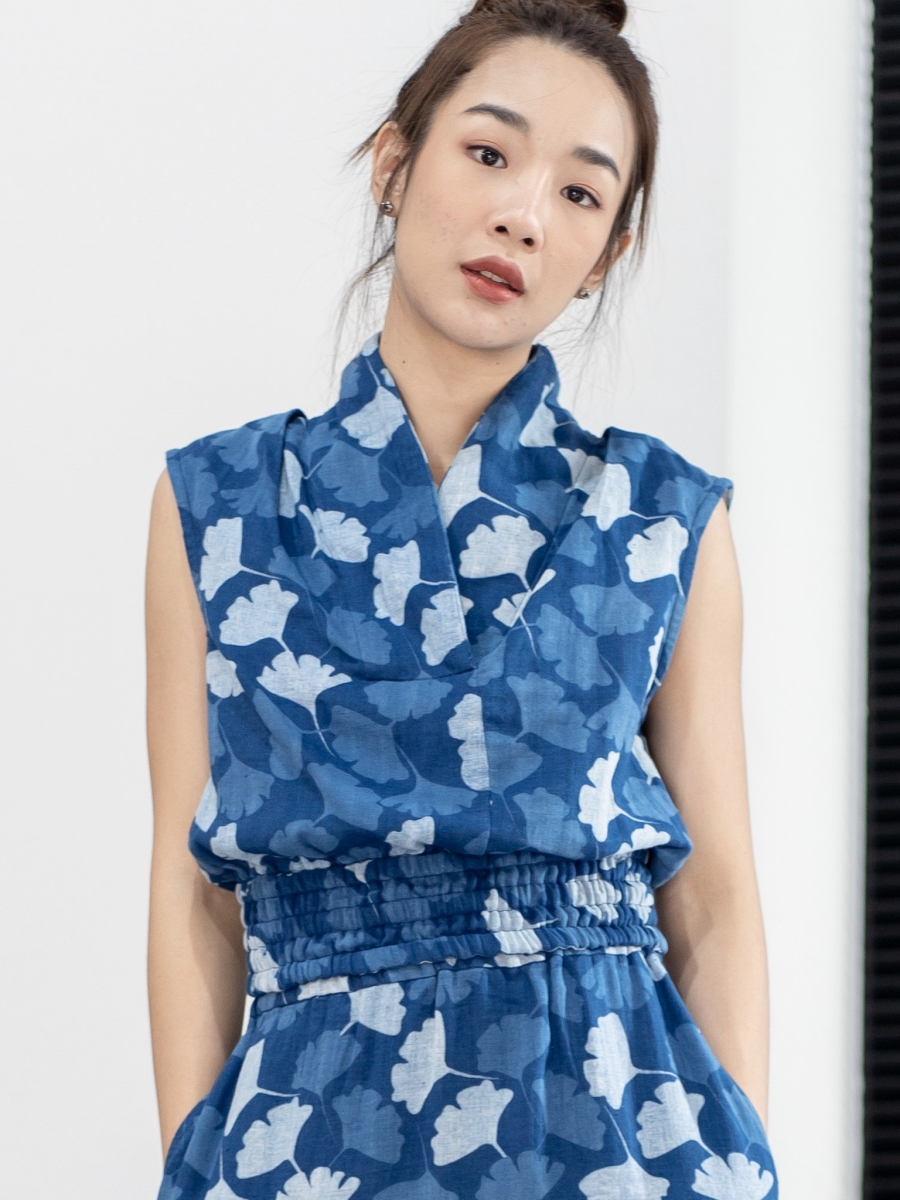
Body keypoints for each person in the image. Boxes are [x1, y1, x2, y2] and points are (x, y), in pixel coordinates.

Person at [146, 1, 778, 1197]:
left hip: (616, 1139)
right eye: (489, 153)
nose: (522, 215)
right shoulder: (217, 502)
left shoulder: (663, 519)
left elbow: (718, 897)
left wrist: (742, 1151)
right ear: (394, 164)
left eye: (580, 193)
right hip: (307, 1136)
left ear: (606, 255)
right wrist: (192, 1159)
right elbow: (192, 884)